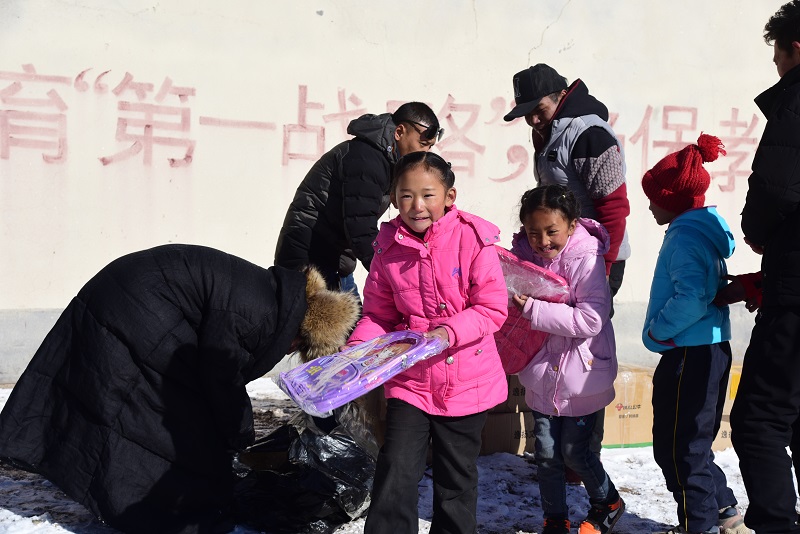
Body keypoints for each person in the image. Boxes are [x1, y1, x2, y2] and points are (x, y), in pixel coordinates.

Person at [0, 245, 361, 534]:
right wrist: (238, 434)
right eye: (297, 346)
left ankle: (110, 484)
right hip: (139, 307)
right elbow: (220, 377)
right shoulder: (261, 313)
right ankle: (140, 504)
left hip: (133, 296)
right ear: (302, 330)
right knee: (153, 414)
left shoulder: (275, 298)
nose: (289, 350)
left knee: (136, 406)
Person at [345, 151, 508, 534]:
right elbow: (379, 315)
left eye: (428, 195)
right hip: (412, 381)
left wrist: (447, 333)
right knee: (396, 469)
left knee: (455, 481)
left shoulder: (473, 239)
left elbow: (491, 309)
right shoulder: (387, 248)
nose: (417, 205)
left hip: (467, 382)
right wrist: (357, 349)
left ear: (449, 197)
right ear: (393, 198)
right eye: (406, 196)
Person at [503, 64, 631, 475]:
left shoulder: (589, 133)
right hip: (556, 261)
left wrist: (601, 267)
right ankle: (556, 454)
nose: (531, 119)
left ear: (560, 95)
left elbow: (614, 207)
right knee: (555, 345)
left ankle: (582, 457)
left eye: (536, 109)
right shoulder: (551, 131)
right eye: (525, 113)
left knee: (585, 353)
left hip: (591, 260)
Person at [640, 134, 747, 534]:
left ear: (672, 200)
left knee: (681, 449)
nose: (649, 206)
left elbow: (692, 298)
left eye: (654, 198)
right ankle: (722, 509)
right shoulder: (698, 231)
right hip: (703, 349)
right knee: (686, 444)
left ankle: (697, 525)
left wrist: (657, 331)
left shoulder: (685, 238)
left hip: (690, 353)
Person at [510, 184, 624, 534]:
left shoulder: (586, 260)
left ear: (572, 225)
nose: (542, 241)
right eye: (533, 233)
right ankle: (555, 519)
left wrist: (534, 310)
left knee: (575, 452)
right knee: (546, 454)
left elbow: (592, 320)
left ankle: (608, 502)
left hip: (580, 375)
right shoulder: (522, 257)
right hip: (542, 372)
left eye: (552, 231)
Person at [728, 2, 800, 532]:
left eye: (777, 55)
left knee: (759, 419)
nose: (775, 67)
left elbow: (774, 188)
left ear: (795, 49)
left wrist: (756, 230)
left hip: (796, 291)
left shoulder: (795, 102)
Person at [274, 101, 442, 293]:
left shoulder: (386, 159)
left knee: (357, 312)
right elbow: (360, 227)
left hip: (333, 259)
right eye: (422, 144)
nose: (425, 153)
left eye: (430, 147)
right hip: (309, 259)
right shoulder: (367, 159)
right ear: (399, 132)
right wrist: (391, 277)